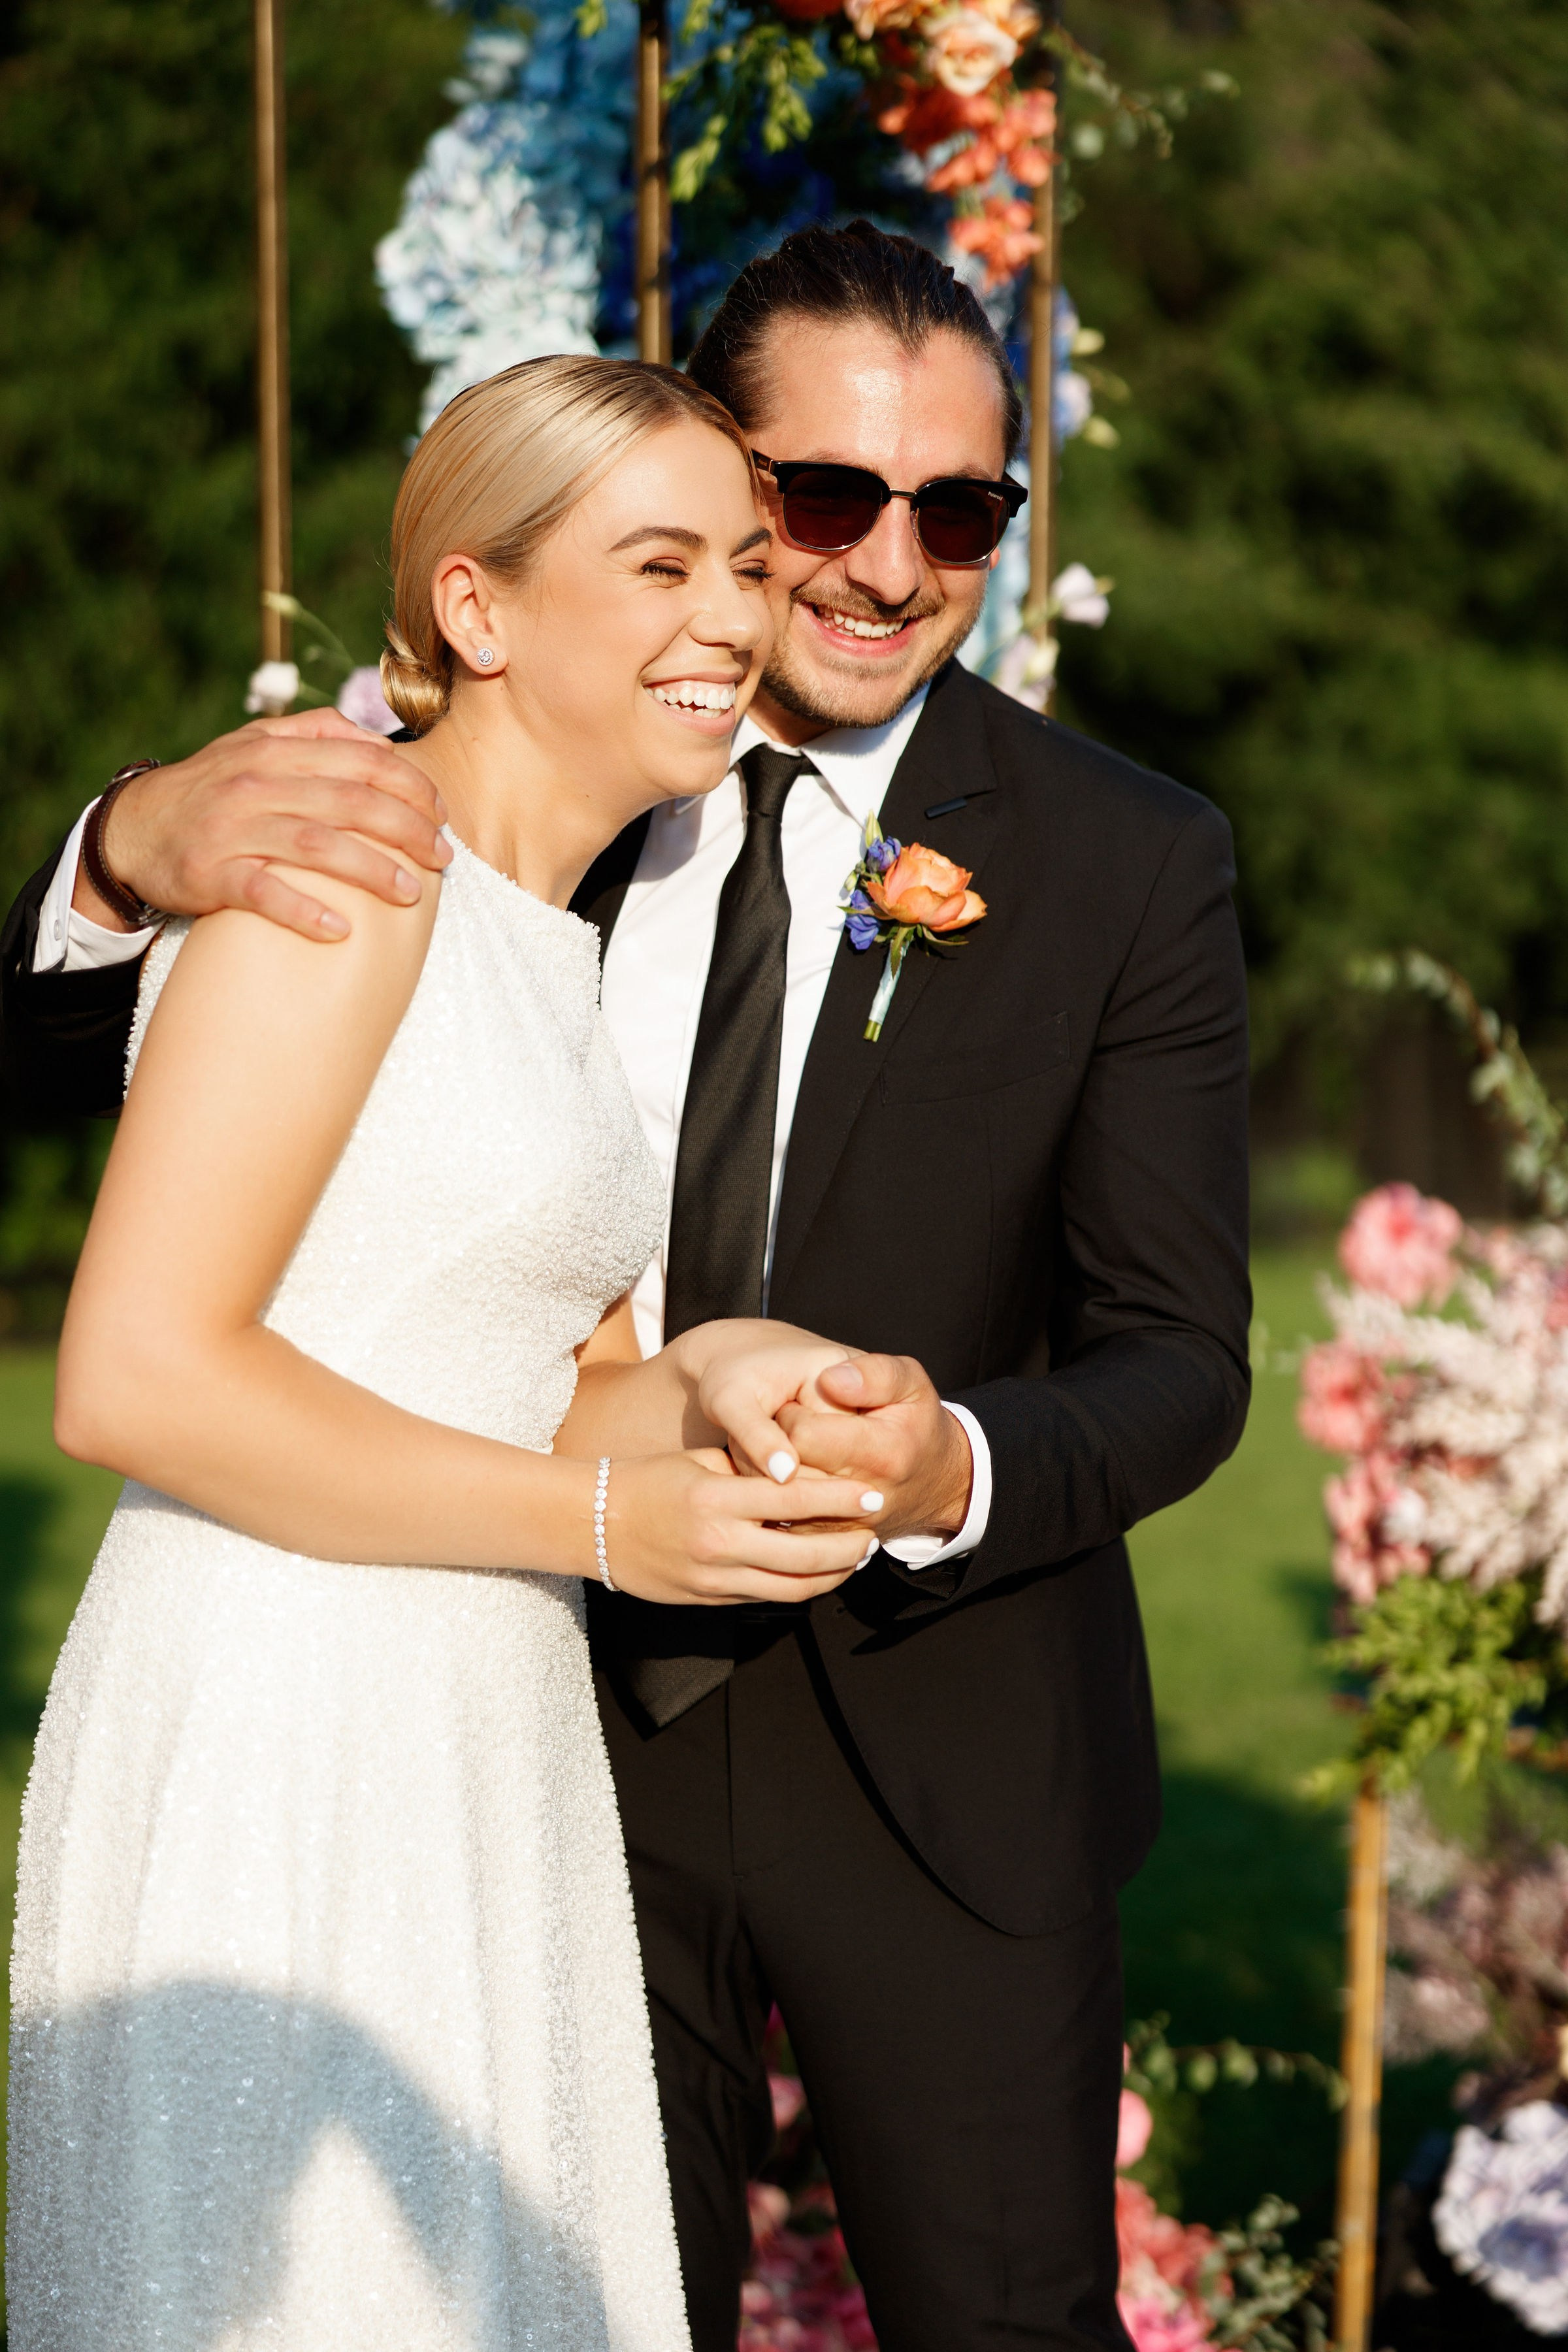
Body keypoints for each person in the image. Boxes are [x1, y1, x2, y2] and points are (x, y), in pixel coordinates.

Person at [1, 223, 1252, 2351]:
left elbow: (1176, 1352)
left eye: (956, 511)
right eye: (808, 509)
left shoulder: (1112, 854)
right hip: (482, 1719)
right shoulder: (348, 828)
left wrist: (876, 1427)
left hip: (901, 1769)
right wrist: (119, 846)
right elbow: (129, 1219)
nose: (869, 567)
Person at [4, 353, 889, 2352]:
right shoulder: (350, 871)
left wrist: (730, 1377)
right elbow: (133, 1373)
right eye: (661, 563)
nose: (734, 619)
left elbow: (525, 1369)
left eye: (747, 565)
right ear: (475, 611)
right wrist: (596, 1512)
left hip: (474, 1730)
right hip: (283, 1726)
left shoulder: (544, 932)